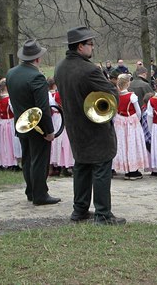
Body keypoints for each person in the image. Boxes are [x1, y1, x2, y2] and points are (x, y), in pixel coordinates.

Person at [55, 26, 126, 225]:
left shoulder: (60, 68)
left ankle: (79, 210)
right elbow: (112, 94)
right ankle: (103, 214)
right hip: (94, 128)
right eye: (90, 44)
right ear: (80, 46)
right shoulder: (88, 69)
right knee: (102, 167)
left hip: (74, 127)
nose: (92, 48)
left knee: (81, 168)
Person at [6, 40, 59, 204]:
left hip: (20, 123)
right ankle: (40, 194)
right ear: (37, 59)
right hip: (37, 126)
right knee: (40, 160)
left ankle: (30, 191)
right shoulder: (36, 77)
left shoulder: (11, 73)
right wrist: (49, 131)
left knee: (28, 159)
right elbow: (42, 107)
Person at [112, 74, 149, 180]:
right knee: (132, 144)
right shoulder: (132, 96)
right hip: (131, 122)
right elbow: (138, 112)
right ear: (128, 83)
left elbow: (115, 111)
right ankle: (132, 170)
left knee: (122, 144)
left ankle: (124, 167)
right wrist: (135, 120)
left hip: (120, 121)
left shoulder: (116, 96)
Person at [0, 79, 19, 170]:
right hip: (10, 122)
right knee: (10, 142)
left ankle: (4, 162)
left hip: (2, 122)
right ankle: (12, 162)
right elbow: (14, 111)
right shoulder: (9, 99)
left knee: (3, 142)